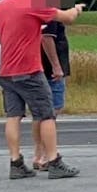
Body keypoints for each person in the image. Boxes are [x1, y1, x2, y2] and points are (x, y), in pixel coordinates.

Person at [0, 0, 83, 178]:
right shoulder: (34, 3)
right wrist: (76, 9)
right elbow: (67, 18)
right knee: (46, 114)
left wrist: (15, 34)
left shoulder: (1, 5)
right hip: (29, 70)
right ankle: (54, 161)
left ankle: (16, 163)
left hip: (6, 71)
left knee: (13, 116)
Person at [32, 17, 71, 171]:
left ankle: (39, 153)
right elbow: (47, 37)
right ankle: (46, 155)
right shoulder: (49, 9)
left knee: (40, 112)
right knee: (50, 112)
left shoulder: (35, 6)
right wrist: (56, 66)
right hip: (49, 70)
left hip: (37, 67)